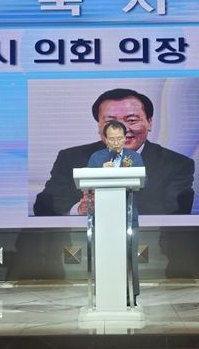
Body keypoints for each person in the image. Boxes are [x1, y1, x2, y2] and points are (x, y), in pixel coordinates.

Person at [33, 88, 194, 216]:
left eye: (132, 120)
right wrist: (80, 209)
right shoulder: (71, 158)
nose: (121, 130)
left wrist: (109, 203)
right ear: (99, 126)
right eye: (110, 122)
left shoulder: (177, 164)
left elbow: (176, 210)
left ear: (149, 122)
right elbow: (43, 206)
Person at [87, 119, 141, 304]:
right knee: (105, 257)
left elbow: (144, 182)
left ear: (125, 138)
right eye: (112, 139)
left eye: (119, 138)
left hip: (127, 216)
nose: (116, 143)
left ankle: (131, 296)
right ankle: (104, 294)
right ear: (105, 139)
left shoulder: (134, 157)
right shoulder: (96, 158)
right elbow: (86, 182)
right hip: (104, 218)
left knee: (129, 257)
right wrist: (100, 172)